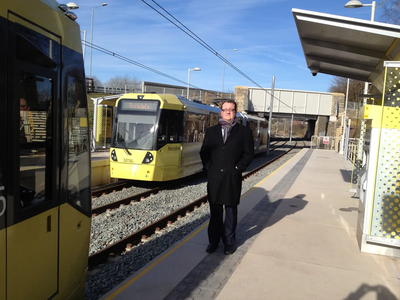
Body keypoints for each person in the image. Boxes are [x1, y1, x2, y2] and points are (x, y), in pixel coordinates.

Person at [200, 100, 254, 255]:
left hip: (232, 177)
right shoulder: (211, 132)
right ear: (221, 112)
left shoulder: (244, 132)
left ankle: (229, 242)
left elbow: (248, 154)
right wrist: (208, 166)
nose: (228, 112)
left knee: (230, 211)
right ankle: (213, 241)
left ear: (235, 112)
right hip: (215, 177)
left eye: (231, 109)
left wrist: (238, 168)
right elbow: (204, 152)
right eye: (225, 109)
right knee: (215, 211)